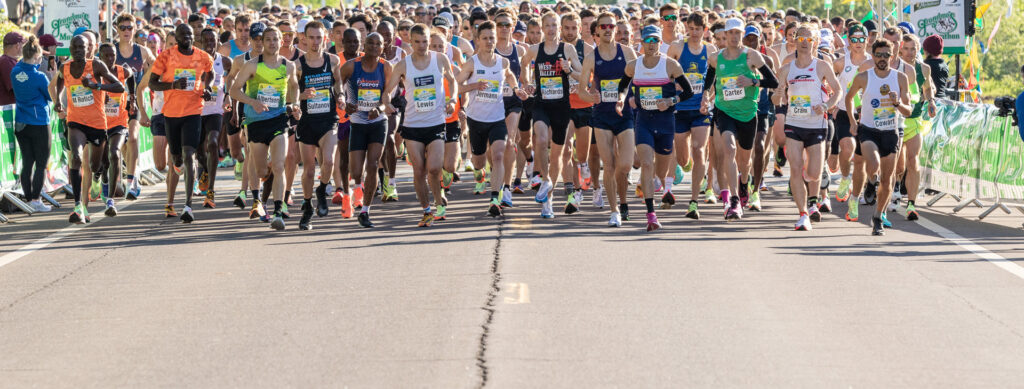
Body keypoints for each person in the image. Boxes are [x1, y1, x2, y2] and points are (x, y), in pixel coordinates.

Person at [229, 25, 300, 230]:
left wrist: (295, 105)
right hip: (255, 121)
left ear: (281, 41)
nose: (271, 43)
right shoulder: (252, 65)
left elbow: (294, 87)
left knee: (279, 165)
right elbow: (234, 90)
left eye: (275, 39)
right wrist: (253, 103)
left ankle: (278, 211)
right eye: (267, 39)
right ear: (262, 42)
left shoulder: (288, 66)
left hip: (279, 120)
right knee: (261, 170)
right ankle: (258, 193)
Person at [386, 23, 456, 226]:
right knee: (419, 170)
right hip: (413, 125)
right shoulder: (403, 64)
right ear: (410, 42)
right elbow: (388, 90)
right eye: (417, 42)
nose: (422, 45)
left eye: (425, 41)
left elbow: (452, 81)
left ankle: (438, 195)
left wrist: (452, 100)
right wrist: (387, 103)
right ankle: (427, 210)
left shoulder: (440, 59)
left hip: (435, 122)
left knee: (434, 169)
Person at [50, 35, 125, 224]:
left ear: (87, 48)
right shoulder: (64, 67)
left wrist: (96, 86)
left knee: (94, 165)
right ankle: (77, 207)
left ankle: (98, 176)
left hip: (97, 123)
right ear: (70, 48)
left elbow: (119, 86)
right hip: (75, 121)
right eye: (74, 47)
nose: (77, 51)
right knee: (75, 157)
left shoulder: (96, 65)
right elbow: (59, 81)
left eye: (81, 47)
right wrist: (58, 101)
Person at [625, 25, 691, 231]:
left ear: (660, 42)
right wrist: (624, 99)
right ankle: (651, 215)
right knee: (646, 163)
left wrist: (671, 100)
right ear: (642, 43)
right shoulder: (633, 66)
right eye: (647, 41)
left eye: (655, 40)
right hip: (644, 119)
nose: (651, 44)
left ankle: (660, 183)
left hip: (665, 122)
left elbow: (688, 92)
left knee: (660, 172)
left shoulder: (670, 65)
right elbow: (621, 87)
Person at [775, 24, 842, 231]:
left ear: (815, 43)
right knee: (795, 168)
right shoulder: (786, 68)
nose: (804, 43)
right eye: (801, 38)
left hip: (816, 124)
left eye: (809, 39)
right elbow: (776, 96)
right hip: (794, 123)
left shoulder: (821, 66)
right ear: (795, 40)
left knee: (813, 172)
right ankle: (803, 213)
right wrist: (778, 94)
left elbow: (837, 91)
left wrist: (826, 105)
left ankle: (810, 190)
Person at [456, 20, 524, 218]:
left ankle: (495, 198)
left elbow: (510, 76)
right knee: (478, 161)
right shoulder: (472, 63)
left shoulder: (502, 62)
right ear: (478, 40)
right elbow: (456, 86)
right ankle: (480, 172)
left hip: (496, 118)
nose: (488, 41)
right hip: (476, 119)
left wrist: (516, 89)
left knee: (498, 154)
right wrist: (473, 86)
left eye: (491, 38)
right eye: (484, 38)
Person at [845, 38, 913, 235]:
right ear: (872, 55)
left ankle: (877, 216)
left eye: (886, 55)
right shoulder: (863, 77)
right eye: (879, 54)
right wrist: (852, 121)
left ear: (892, 57)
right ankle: (869, 182)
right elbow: (849, 98)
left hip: (890, 132)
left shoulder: (900, 78)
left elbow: (908, 111)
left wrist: (898, 104)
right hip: (868, 129)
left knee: (887, 179)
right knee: (873, 165)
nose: (882, 58)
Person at [519, 11, 582, 219]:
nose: (552, 29)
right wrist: (527, 83)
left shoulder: (568, 49)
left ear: (559, 28)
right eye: (548, 26)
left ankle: (548, 199)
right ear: (543, 28)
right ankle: (545, 179)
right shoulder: (535, 49)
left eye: (555, 25)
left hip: (562, 107)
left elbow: (582, 75)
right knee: (541, 139)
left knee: (557, 156)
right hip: (541, 104)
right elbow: (524, 63)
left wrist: (569, 69)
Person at [149, 24, 214, 224]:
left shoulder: (203, 56)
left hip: (193, 111)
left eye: (189, 34)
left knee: (189, 154)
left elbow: (209, 73)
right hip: (170, 113)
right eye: (182, 34)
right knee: (176, 158)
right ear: (176, 38)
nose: (186, 37)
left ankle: (188, 205)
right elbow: (153, 83)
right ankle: (177, 165)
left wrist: (207, 87)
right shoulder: (166, 56)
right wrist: (172, 85)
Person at [579, 11, 637, 226]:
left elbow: (639, 81)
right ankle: (615, 211)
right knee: (610, 165)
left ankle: (623, 201)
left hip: (624, 114)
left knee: (626, 164)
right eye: (603, 27)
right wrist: (591, 96)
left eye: (611, 26)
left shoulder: (628, 52)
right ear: (596, 31)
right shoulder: (591, 57)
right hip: (602, 116)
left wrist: (633, 99)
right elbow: (581, 90)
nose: (608, 30)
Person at [339, 32, 392, 228]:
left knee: (373, 164)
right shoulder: (352, 65)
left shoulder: (386, 67)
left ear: (383, 46)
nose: (374, 46)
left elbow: (388, 97)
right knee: (355, 170)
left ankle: (365, 211)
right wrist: (344, 102)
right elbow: (336, 85)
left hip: (378, 121)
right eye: (371, 43)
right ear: (365, 44)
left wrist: (380, 108)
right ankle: (358, 188)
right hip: (358, 122)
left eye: (378, 44)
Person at [666, 12, 715, 219]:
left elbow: (715, 80)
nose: (694, 33)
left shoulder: (711, 50)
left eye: (698, 29)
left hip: (700, 110)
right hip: (680, 109)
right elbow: (665, 74)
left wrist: (708, 98)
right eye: (691, 29)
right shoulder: (677, 48)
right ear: (687, 28)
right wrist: (673, 84)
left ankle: (694, 201)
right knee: (684, 157)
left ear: (705, 30)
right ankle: (684, 168)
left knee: (699, 149)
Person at [295, 20, 342, 230]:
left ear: (326, 37)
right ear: (304, 39)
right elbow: (290, 94)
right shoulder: (297, 65)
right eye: (311, 37)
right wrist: (300, 96)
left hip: (328, 118)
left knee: (330, 161)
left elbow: (338, 84)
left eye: (318, 37)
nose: (315, 42)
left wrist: (340, 97)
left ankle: (322, 190)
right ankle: (307, 206)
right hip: (306, 122)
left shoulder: (332, 61)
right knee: (309, 171)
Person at [114, 13, 157, 201]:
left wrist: (145, 84)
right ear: (116, 29)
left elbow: (159, 67)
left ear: (134, 29)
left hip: (135, 100)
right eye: (122, 28)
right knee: (121, 145)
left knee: (132, 138)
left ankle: (131, 182)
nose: (126, 31)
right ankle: (131, 174)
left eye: (129, 28)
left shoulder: (143, 51)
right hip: (114, 103)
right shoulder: (110, 51)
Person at [11, 35, 51, 213]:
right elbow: (50, 96)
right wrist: (52, 74)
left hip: (21, 122)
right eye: (41, 58)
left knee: (27, 161)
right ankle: (35, 199)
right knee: (41, 163)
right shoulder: (40, 76)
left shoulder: (15, 71)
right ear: (36, 57)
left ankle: (29, 198)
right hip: (39, 122)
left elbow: (21, 68)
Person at [98, 43, 136, 217]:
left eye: (113, 55)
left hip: (119, 123)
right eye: (106, 56)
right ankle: (101, 177)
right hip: (99, 123)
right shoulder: (96, 74)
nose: (110, 59)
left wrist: (132, 97)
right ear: (100, 56)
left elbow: (132, 75)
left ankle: (110, 200)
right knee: (101, 163)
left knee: (114, 153)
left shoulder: (122, 71)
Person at [198, 27, 231, 209]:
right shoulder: (194, 61)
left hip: (215, 111)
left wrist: (228, 96)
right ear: (201, 42)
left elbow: (232, 78)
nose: (210, 44)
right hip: (196, 111)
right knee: (199, 151)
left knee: (212, 143)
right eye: (206, 41)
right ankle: (204, 171)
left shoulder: (225, 61)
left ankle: (210, 190)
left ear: (218, 42)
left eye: (213, 40)